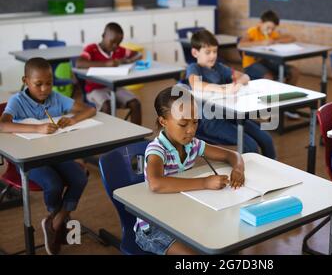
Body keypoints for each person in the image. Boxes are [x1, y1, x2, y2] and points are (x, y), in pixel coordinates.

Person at [0, 58, 96, 255]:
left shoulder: (56, 98)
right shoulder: (17, 101)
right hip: (29, 158)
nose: (44, 89)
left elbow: (91, 109)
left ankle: (55, 222)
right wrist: (37, 128)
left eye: (49, 83)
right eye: (38, 84)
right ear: (25, 81)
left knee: (80, 176)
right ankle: (57, 216)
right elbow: (2, 125)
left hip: (56, 154)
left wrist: (72, 119)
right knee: (53, 184)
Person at [135, 86, 245, 255]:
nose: (191, 130)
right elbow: (156, 183)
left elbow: (232, 155)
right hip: (154, 228)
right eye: (183, 123)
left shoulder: (193, 144)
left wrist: (238, 169)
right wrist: (205, 182)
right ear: (163, 121)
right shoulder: (157, 150)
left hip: (183, 217)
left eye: (195, 122)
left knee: (229, 242)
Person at [186, 29, 277, 159]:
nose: (212, 56)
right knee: (250, 145)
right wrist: (222, 89)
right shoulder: (194, 68)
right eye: (208, 52)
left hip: (231, 115)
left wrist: (237, 84)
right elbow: (196, 84)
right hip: (211, 121)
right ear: (195, 52)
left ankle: (272, 171)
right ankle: (251, 175)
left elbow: (245, 76)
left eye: (215, 51)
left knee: (266, 139)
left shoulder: (219, 67)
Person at [76, 22, 142, 125]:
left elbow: (138, 54)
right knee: (107, 105)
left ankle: (137, 135)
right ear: (103, 36)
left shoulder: (119, 50)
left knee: (135, 104)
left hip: (115, 87)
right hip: (95, 89)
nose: (115, 46)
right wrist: (105, 64)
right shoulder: (92, 49)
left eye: (118, 43)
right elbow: (79, 63)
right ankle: (109, 136)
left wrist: (126, 61)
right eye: (112, 42)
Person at [239, 10, 301, 119]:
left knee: (294, 71)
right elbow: (241, 44)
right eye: (268, 27)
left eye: (272, 28)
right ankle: (270, 109)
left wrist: (276, 41)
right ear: (260, 23)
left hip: (266, 62)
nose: (270, 30)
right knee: (268, 78)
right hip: (251, 65)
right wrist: (261, 43)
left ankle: (286, 105)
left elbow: (292, 38)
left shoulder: (271, 33)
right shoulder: (253, 31)